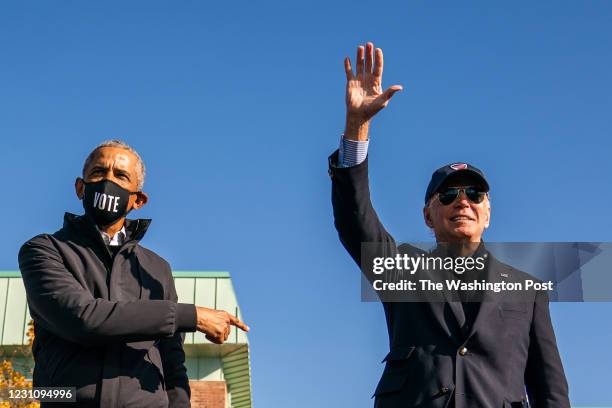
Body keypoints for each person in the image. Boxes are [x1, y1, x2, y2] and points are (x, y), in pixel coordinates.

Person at [328, 42, 570, 407]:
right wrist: (356, 128)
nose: (462, 201)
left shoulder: (528, 290)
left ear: (487, 213)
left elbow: (550, 390)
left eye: (475, 194)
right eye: (447, 195)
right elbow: (354, 220)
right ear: (428, 215)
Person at [18, 140, 249, 407]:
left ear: (138, 200)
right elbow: (83, 318)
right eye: (98, 172)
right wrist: (191, 315)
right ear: (80, 187)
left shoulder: (157, 269)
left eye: (121, 176)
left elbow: (172, 363)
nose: (107, 181)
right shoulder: (44, 249)